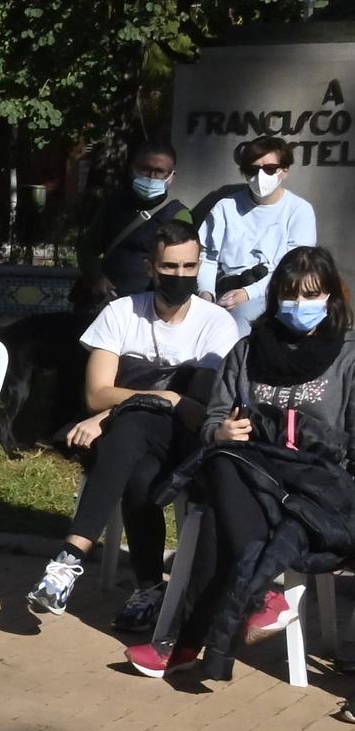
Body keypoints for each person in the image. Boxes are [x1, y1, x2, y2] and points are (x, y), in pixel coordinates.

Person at [126, 247, 355, 678]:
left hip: (314, 480)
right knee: (222, 456)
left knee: (217, 509)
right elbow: (214, 417)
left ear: (330, 299)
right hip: (250, 471)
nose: (299, 306)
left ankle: (186, 642)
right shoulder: (249, 351)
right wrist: (221, 431)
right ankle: (256, 600)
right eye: (289, 295)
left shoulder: (348, 355)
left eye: (311, 295)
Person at [25, 221, 238, 628]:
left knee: (132, 425)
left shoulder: (216, 324)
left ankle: (69, 558)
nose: (180, 276)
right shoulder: (122, 312)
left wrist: (118, 410)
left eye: (189, 267)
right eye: (170, 267)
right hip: (133, 437)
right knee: (139, 473)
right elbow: (94, 394)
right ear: (150, 267)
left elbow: (198, 406)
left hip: (184, 438)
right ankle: (148, 589)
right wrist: (165, 398)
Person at [199, 135, 317, 335]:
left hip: (275, 292)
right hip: (225, 288)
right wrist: (206, 295)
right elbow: (207, 258)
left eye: (269, 169)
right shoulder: (225, 208)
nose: (260, 176)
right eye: (253, 170)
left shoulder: (299, 210)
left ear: (285, 170)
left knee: (238, 324)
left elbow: (296, 268)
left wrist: (248, 293)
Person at [72, 141, 193, 314]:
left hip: (146, 309)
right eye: (145, 169)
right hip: (103, 303)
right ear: (133, 169)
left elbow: (180, 268)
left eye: (159, 172)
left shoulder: (179, 215)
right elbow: (87, 249)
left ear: (171, 177)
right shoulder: (113, 204)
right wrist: (97, 279)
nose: (151, 176)